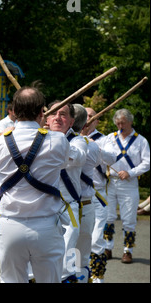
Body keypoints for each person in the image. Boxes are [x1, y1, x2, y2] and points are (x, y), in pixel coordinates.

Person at [0, 86, 68, 283]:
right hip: (46, 225)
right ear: (42, 112)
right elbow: (65, 163)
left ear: (14, 111)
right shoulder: (58, 141)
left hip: (10, 225)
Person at [47, 100, 87, 283]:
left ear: (71, 121)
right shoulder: (37, 138)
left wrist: (54, 140)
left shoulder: (79, 141)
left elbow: (77, 157)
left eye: (63, 114)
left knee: (71, 254)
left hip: (68, 207)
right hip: (41, 207)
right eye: (53, 113)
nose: (57, 118)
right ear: (46, 118)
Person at [102, 108, 150, 263]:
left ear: (130, 122)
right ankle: (107, 248)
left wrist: (131, 172)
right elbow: (101, 154)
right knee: (108, 217)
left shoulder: (141, 141)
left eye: (123, 122)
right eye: (117, 122)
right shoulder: (110, 138)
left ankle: (127, 250)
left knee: (129, 219)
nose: (120, 125)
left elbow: (147, 163)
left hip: (129, 183)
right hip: (110, 182)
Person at [81, 106, 117, 283]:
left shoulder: (103, 140)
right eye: (84, 116)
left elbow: (112, 158)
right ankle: (76, 276)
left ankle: (97, 278)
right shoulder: (70, 138)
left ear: (96, 120)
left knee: (96, 239)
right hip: (75, 196)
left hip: (97, 195)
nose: (87, 119)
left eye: (91, 116)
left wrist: (93, 147)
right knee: (74, 240)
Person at [71, 104, 101, 282]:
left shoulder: (53, 144)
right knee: (81, 260)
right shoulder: (92, 145)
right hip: (86, 205)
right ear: (85, 126)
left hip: (64, 207)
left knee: (63, 258)